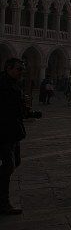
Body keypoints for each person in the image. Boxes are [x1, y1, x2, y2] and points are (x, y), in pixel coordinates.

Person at [0, 58, 26, 215]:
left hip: (13, 131)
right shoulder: (3, 85)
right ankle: (3, 203)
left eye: (22, 69)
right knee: (8, 166)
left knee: (14, 162)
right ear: (8, 68)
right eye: (18, 69)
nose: (21, 72)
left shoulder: (13, 84)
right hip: (4, 132)